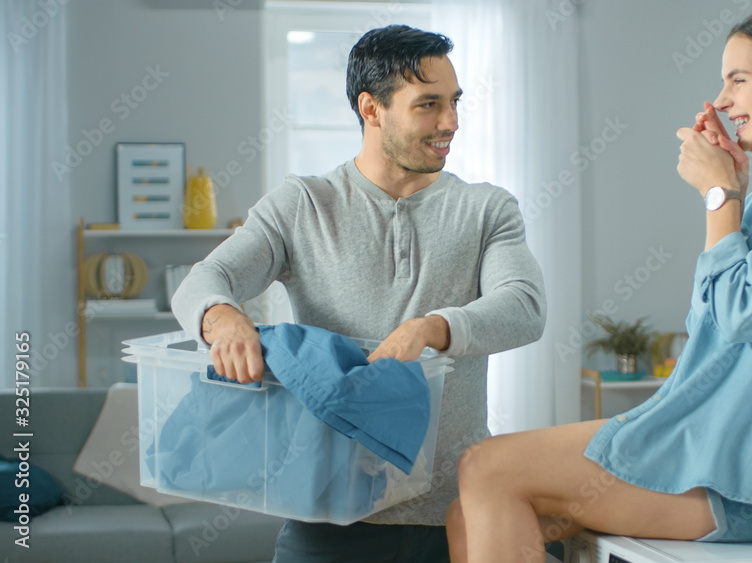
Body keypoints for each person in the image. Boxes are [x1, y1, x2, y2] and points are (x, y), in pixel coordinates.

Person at [445, 6, 752, 560]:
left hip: (748, 480)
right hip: (703, 443)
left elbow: (739, 313)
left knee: (484, 467)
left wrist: (718, 196)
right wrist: (732, 193)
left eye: (738, 79)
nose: (723, 100)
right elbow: (707, 329)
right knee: (463, 505)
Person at [170, 25, 546, 563]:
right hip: (327, 514)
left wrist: (430, 328)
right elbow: (203, 282)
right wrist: (224, 319)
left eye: (455, 102)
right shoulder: (303, 204)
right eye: (429, 105)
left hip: (457, 518)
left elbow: (525, 306)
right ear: (371, 109)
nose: (451, 122)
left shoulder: (487, 209)